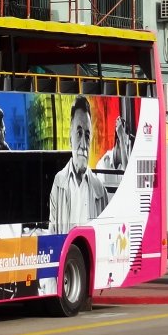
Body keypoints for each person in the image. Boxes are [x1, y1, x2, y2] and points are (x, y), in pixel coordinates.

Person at [49, 95, 108, 234]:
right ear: (70, 138)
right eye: (79, 133)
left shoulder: (100, 190)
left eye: (87, 136)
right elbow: (52, 231)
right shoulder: (58, 183)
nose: (83, 144)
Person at [95, 115, 131, 193]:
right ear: (118, 143)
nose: (126, 151)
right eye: (125, 145)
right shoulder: (103, 165)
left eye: (127, 147)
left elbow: (129, 182)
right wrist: (121, 137)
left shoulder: (124, 165)